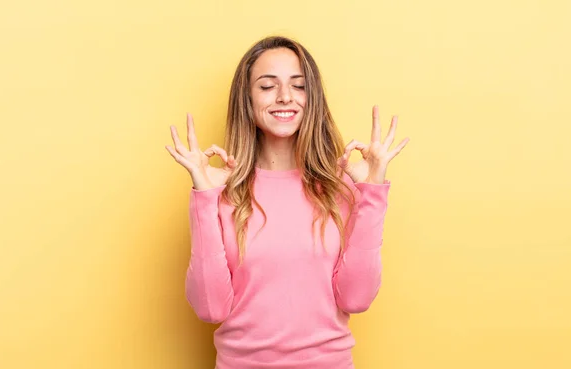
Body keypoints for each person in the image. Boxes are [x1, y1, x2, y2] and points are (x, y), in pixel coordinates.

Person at [165, 36, 409, 369]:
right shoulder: (221, 193)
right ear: (247, 101)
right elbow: (210, 309)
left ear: (313, 99)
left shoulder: (342, 190)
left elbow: (357, 298)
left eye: (299, 86)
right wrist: (204, 199)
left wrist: (372, 190)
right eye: (267, 86)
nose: (285, 97)